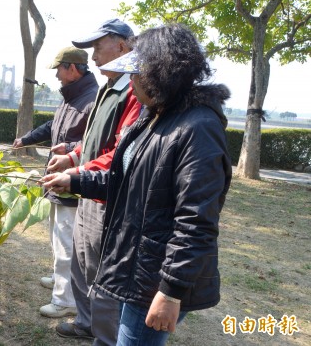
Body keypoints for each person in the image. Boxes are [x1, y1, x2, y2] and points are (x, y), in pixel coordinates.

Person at [42, 23, 232, 346]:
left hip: (155, 280)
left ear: (160, 74)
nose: (131, 81)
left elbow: (196, 222)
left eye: (136, 73)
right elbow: (123, 179)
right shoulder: (154, 116)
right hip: (136, 268)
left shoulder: (198, 128)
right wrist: (75, 181)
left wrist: (171, 292)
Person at [46, 18, 142, 344]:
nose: (95, 56)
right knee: (82, 262)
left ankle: (105, 335)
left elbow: (120, 153)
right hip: (89, 189)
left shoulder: (134, 91)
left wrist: (77, 173)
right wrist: (73, 155)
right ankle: (86, 323)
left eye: (98, 47)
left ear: (122, 46)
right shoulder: (108, 89)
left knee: (102, 272)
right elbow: (94, 142)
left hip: (106, 194)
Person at [13, 46, 99, 318]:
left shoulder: (92, 100)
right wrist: (25, 140)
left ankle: (66, 300)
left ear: (72, 69)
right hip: (58, 181)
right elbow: (53, 127)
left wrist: (70, 151)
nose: (57, 76)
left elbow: (97, 144)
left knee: (67, 244)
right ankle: (60, 278)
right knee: (57, 238)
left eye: (59, 70)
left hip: (74, 183)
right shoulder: (72, 97)